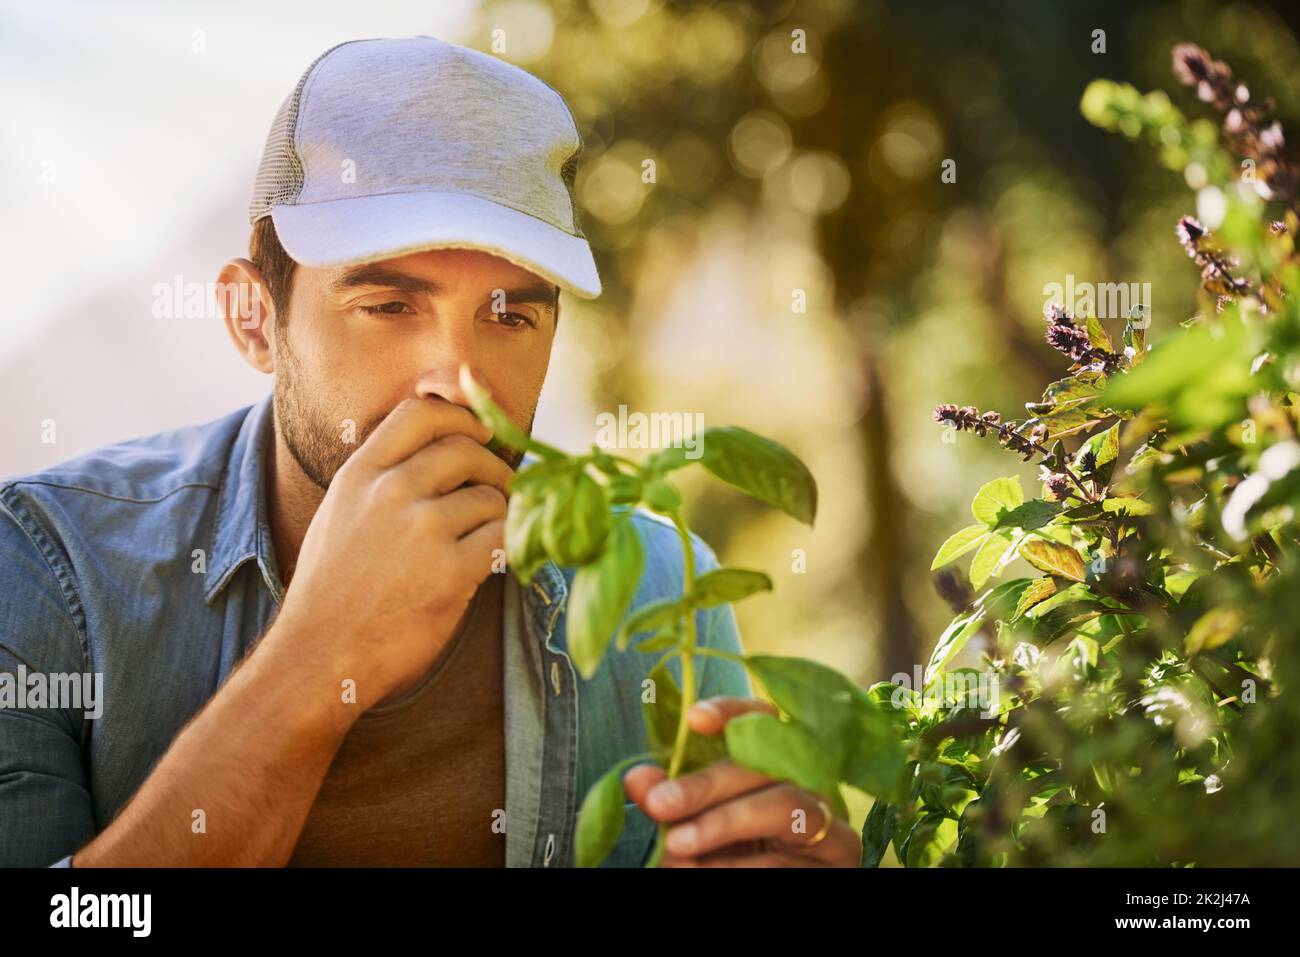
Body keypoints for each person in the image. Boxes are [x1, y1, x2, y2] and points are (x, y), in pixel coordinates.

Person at [0, 36, 860, 868]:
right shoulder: (49, 565)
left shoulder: (662, 585)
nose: (460, 382)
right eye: (389, 305)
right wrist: (316, 659)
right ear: (253, 317)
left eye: (509, 315)